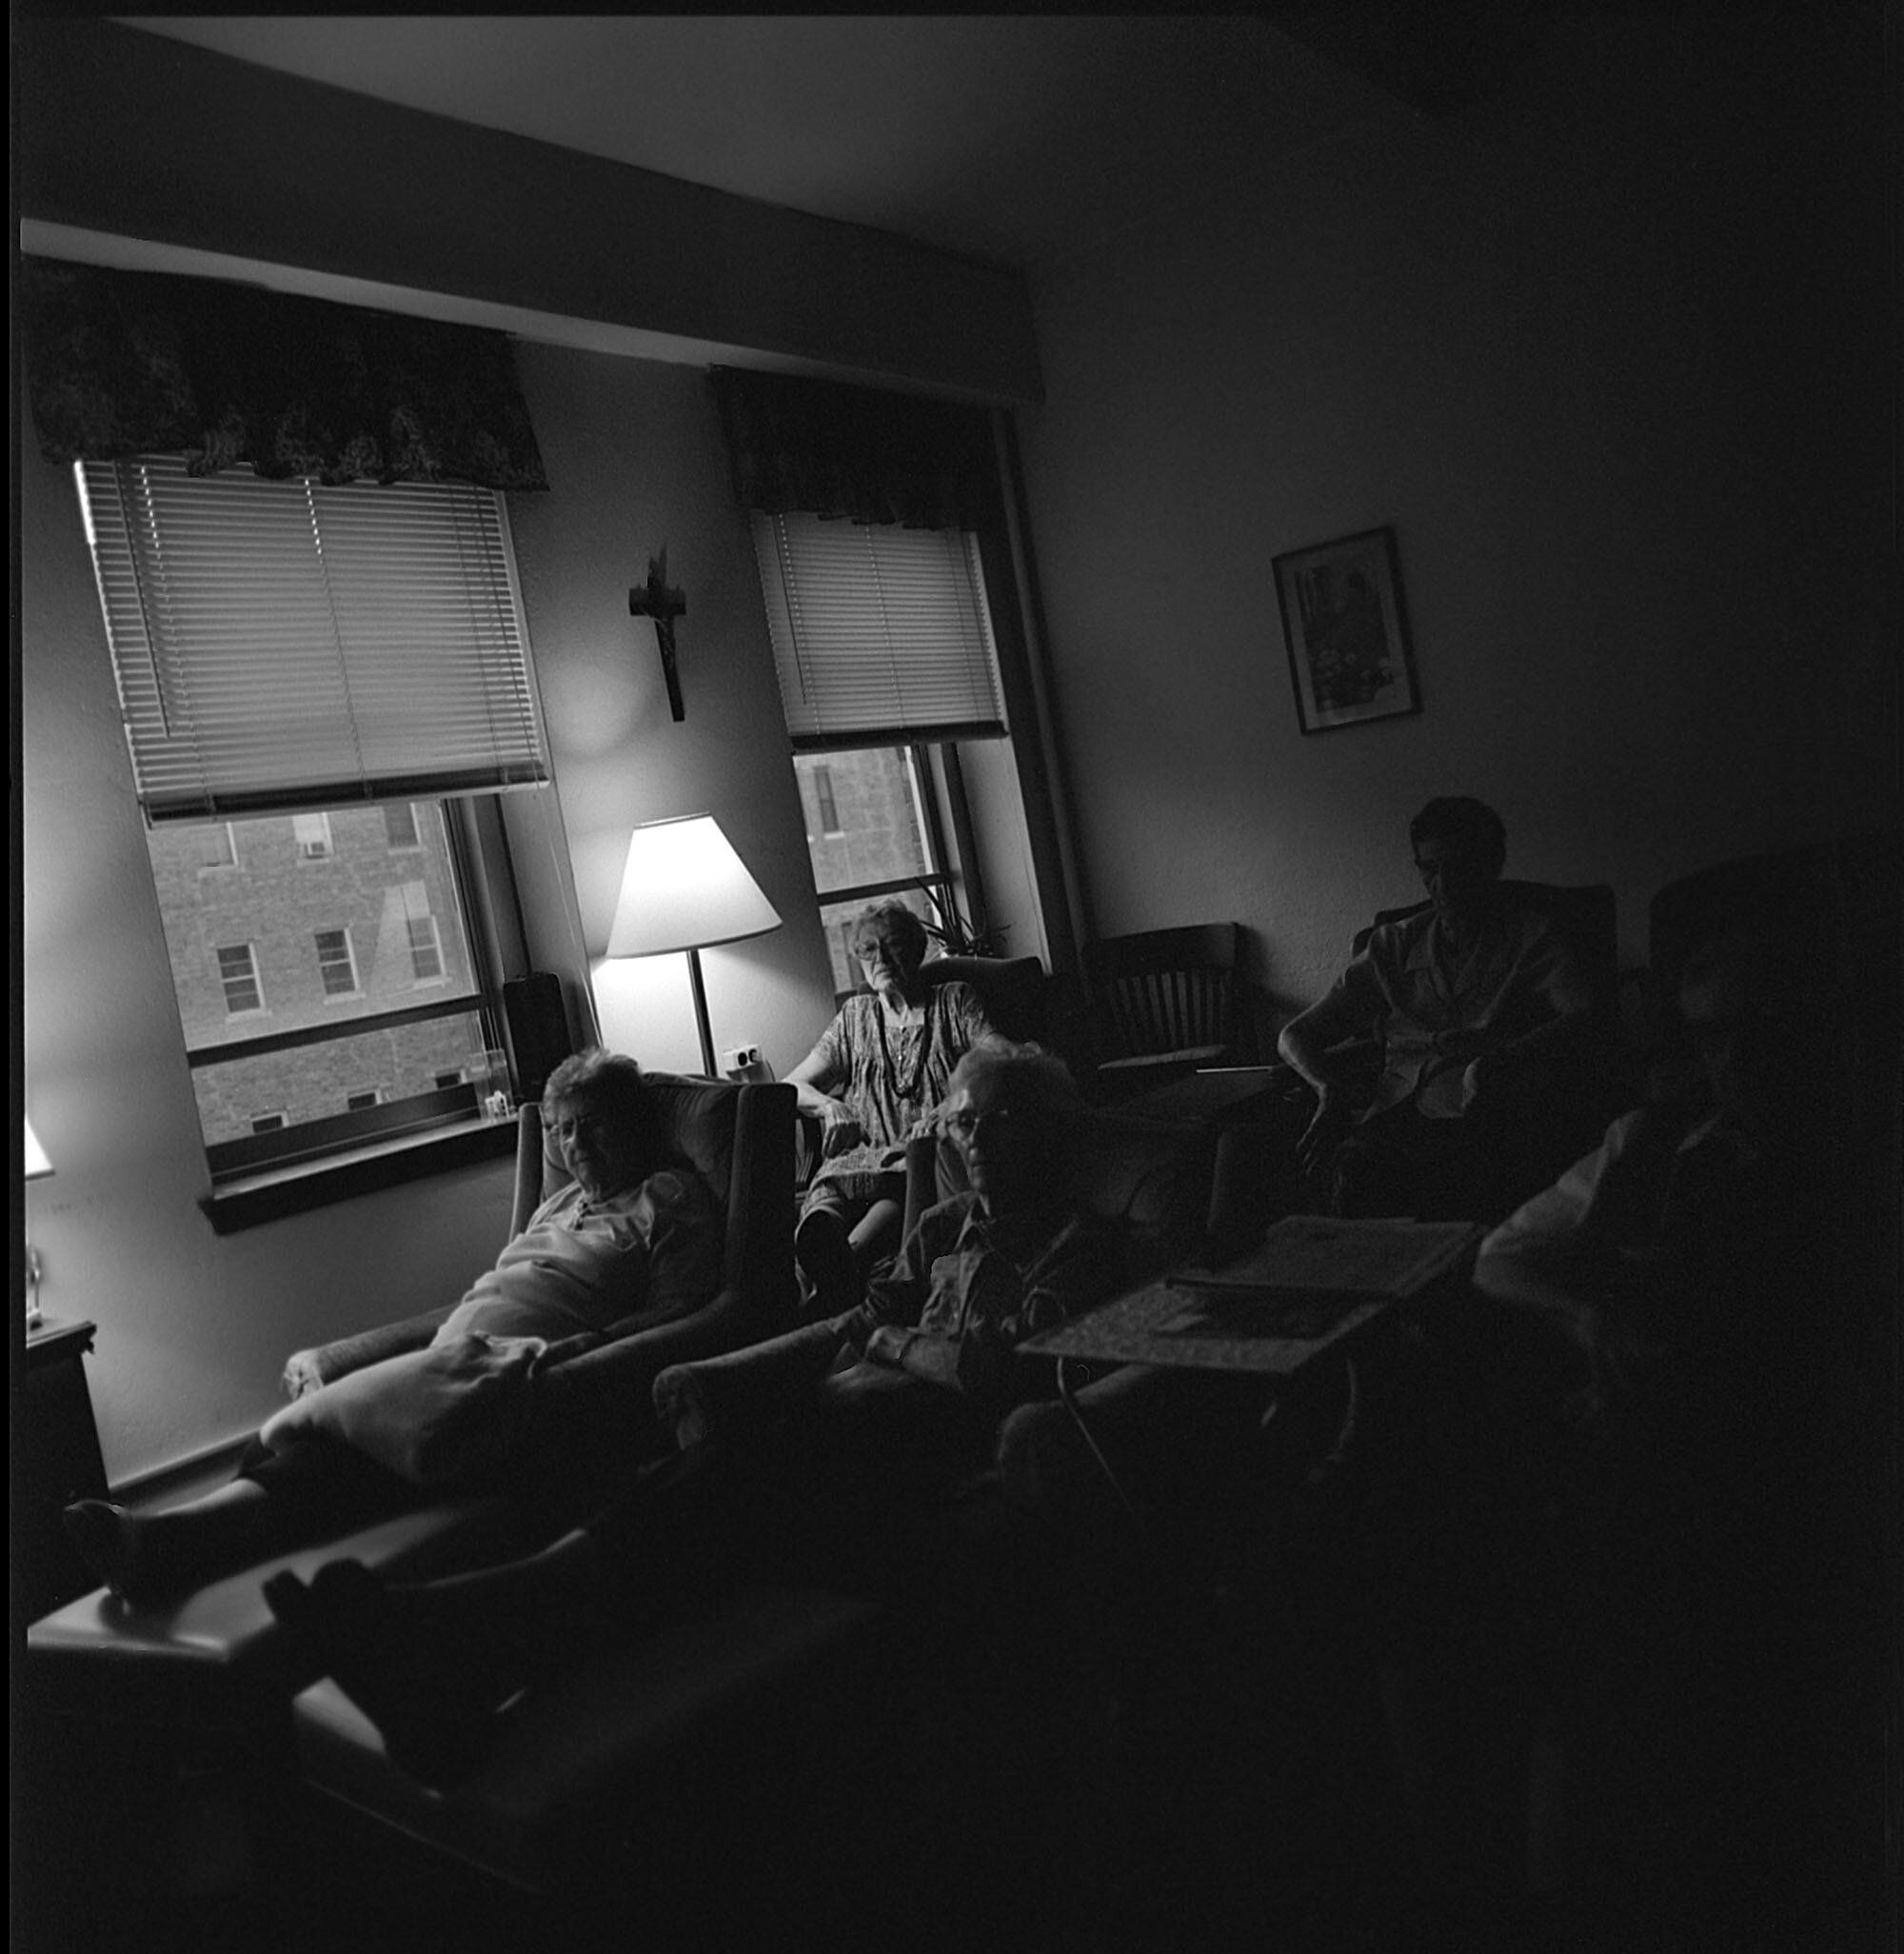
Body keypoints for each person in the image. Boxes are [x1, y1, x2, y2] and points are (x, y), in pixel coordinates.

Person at [261, 1043, 1129, 1786]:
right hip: (854, 1415)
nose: (972, 1142)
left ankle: (449, 1637)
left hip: (938, 1445)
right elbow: (863, 1319)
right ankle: (456, 1654)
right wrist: (886, 1345)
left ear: (1047, 1133)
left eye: (997, 1122)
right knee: (688, 1506)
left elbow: (995, 1372)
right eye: (964, 1123)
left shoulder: (1082, 1245)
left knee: (705, 1505)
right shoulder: (942, 1226)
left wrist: (897, 1348)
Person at [63, 1049, 724, 1605]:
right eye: (564, 1130)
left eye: (595, 1126)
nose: (576, 1145)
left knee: (335, 1452)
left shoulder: (666, 1199)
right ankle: (178, 1550)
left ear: (635, 1125)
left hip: (530, 1371)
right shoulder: (559, 1202)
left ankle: (171, 1544)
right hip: (458, 1357)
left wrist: (579, 1351)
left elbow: (679, 1315)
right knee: (320, 1439)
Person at [1277, 796, 1593, 1220]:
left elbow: (1587, 1017)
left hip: (1481, 1112)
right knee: (1255, 1148)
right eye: (1430, 869)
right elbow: (1294, 1036)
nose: (1443, 885)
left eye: (1458, 867)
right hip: (1390, 1110)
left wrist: (1505, 1060)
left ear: (1492, 864)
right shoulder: (1393, 944)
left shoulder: (1532, 936)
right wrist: (1327, 1088)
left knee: (1367, 1175)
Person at [787, 898, 993, 1312]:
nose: (879, 958)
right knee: (830, 1190)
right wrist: (829, 1107)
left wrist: (949, 1106)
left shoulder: (954, 1001)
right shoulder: (855, 1017)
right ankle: (824, 1238)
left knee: (896, 1185)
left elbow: (996, 1057)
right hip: (861, 1156)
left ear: (917, 949)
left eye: (892, 944)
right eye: (867, 949)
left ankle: (845, 1261)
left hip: (920, 1157)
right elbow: (792, 1084)